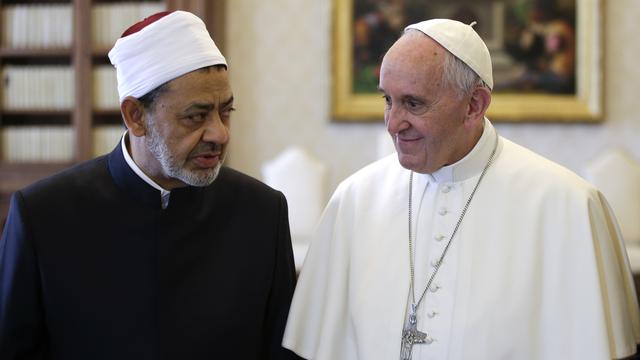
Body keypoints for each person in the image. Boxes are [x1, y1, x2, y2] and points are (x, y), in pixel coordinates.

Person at [283, 19, 640, 360]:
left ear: (474, 105)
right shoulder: (355, 200)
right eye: (387, 100)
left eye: (413, 103)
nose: (392, 124)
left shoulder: (569, 206)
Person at [0, 11, 300, 359]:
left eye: (225, 111)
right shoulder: (43, 216)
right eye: (196, 116)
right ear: (135, 116)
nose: (220, 133)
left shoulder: (261, 212)